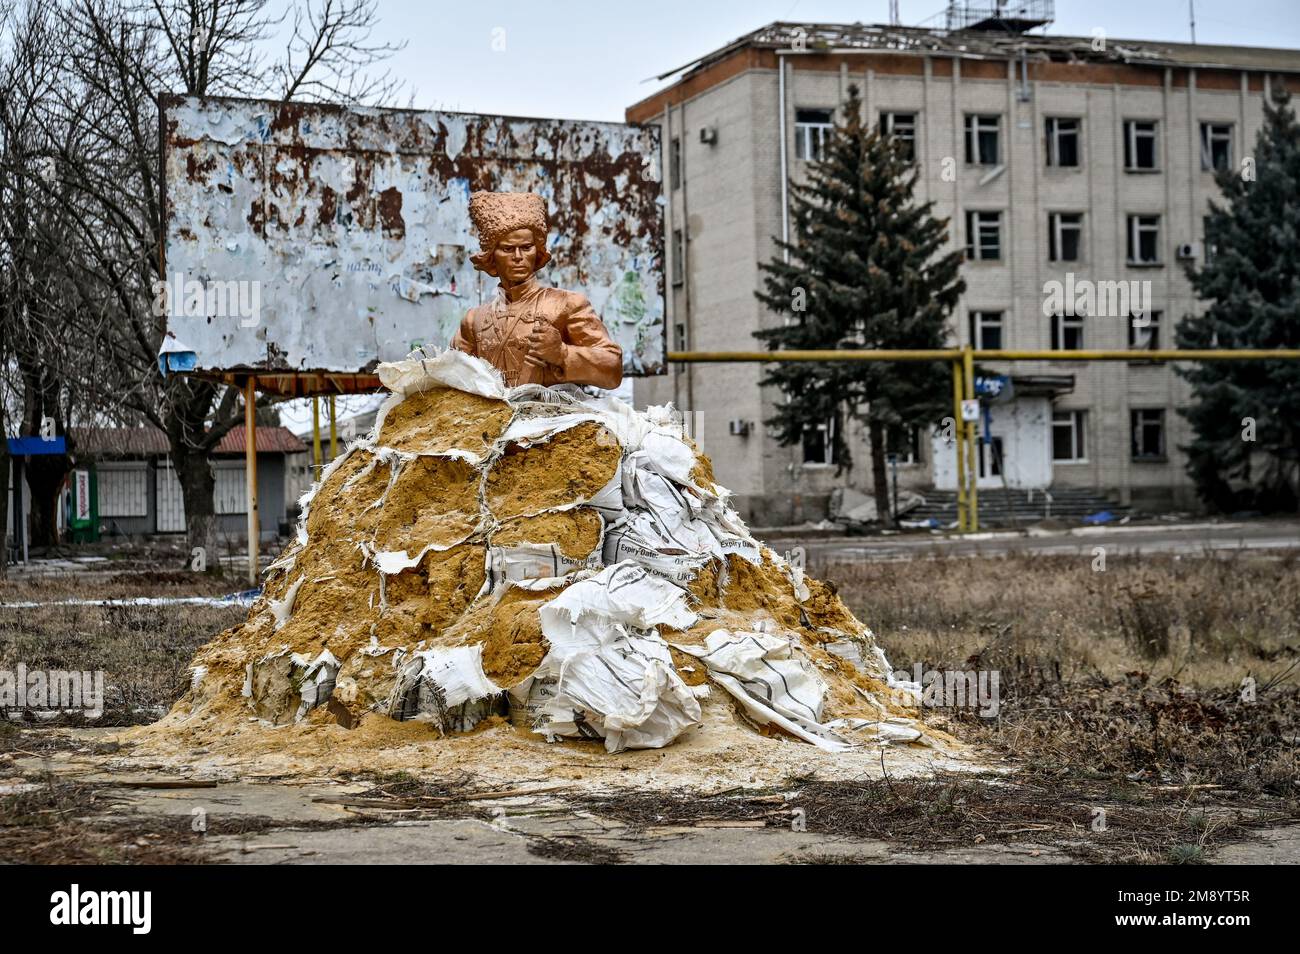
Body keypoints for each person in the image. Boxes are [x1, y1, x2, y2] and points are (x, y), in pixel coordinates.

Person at [450, 191, 623, 389]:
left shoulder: (567, 304)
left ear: (537, 251)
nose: (518, 256)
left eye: (526, 247)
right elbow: (452, 377)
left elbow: (613, 368)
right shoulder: (474, 320)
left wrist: (562, 353)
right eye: (508, 249)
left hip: (554, 417)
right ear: (491, 256)